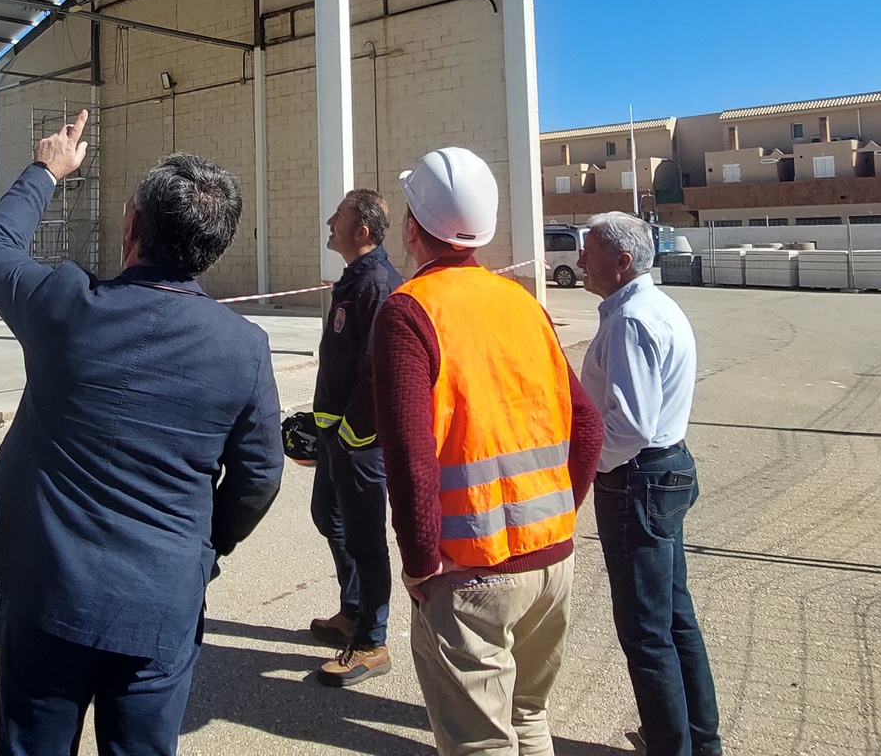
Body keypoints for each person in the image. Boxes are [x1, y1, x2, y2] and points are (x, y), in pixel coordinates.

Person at [0, 110, 283, 756]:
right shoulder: (243, 348)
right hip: (161, 603)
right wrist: (204, 544)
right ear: (215, 245)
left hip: (47, 597)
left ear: (132, 226)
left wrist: (47, 168)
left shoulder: (65, 306)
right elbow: (259, 478)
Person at [372, 148, 603, 756]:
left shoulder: (409, 312)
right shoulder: (523, 303)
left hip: (468, 568)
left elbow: (411, 456)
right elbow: (588, 427)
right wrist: (556, 518)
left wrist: (420, 561)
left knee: (480, 743)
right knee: (528, 717)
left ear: (413, 228)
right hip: (551, 564)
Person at [577, 213, 719, 756]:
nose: (580, 258)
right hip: (663, 473)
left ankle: (670, 744)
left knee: (646, 631)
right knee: (674, 619)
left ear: (623, 262)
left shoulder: (631, 320)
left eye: (589, 250)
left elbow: (630, 427)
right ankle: (696, 740)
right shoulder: (652, 307)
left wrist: (590, 464)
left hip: (638, 481)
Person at [307, 189, 401, 686]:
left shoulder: (379, 286)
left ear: (361, 231)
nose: (329, 221)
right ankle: (354, 607)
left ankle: (372, 641)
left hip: (359, 443)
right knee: (328, 516)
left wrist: (348, 435)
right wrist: (320, 423)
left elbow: (377, 376)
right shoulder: (355, 282)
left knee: (366, 537)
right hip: (335, 436)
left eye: (338, 217)